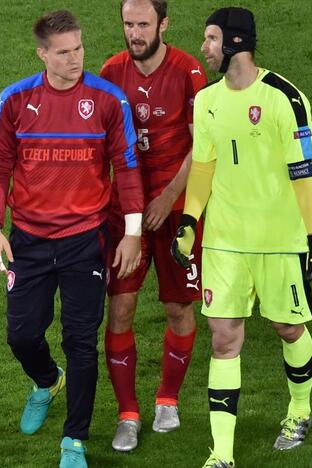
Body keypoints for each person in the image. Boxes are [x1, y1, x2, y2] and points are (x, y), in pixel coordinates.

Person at [0, 10, 144, 468]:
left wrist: (131, 234)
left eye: (79, 48)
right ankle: (47, 380)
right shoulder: (14, 101)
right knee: (21, 335)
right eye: (64, 52)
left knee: (81, 341)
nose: (75, 59)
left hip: (84, 241)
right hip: (28, 241)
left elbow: (128, 169)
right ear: (42, 55)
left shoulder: (109, 100)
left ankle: (74, 441)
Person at [170, 7, 312, 467]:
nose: (204, 47)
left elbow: (304, 177)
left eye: (212, 39)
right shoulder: (207, 101)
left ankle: (299, 411)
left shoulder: (285, 98)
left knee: (288, 327)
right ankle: (221, 455)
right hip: (224, 242)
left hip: (280, 239)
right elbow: (203, 166)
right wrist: (189, 223)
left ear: (236, 43)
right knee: (223, 339)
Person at [99, 0, 207, 451]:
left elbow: (205, 143)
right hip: (125, 214)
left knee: (179, 310)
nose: (134, 33)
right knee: (119, 308)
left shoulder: (189, 72)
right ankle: (128, 413)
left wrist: (167, 196)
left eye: (143, 24)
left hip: (179, 212)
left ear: (163, 24)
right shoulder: (110, 72)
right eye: (128, 24)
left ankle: (168, 399)